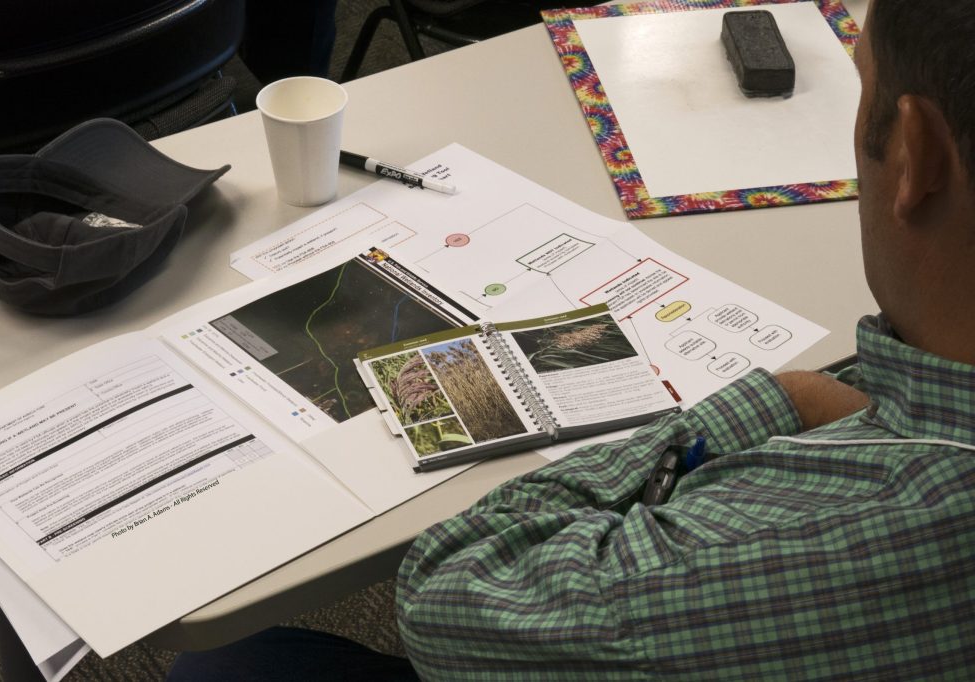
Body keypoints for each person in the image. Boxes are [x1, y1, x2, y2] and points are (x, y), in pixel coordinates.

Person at [170, 0, 975, 678]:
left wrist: (779, 397)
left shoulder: (854, 533)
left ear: (914, 155)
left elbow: (449, 595)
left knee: (227, 665)